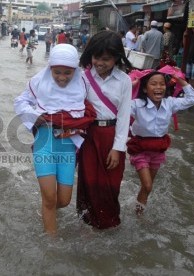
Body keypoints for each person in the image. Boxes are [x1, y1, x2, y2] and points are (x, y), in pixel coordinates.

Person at [14, 44, 95, 235]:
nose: (62, 77)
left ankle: (45, 212)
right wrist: (34, 115)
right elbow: (20, 102)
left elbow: (97, 105)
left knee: (64, 201)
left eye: (67, 72)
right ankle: (51, 245)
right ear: (50, 68)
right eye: (57, 72)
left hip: (68, 146)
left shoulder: (83, 83)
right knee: (50, 197)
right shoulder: (38, 82)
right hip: (45, 142)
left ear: (75, 70)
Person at [77, 30, 133, 229]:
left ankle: (109, 223)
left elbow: (125, 117)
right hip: (88, 137)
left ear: (117, 58)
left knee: (111, 184)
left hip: (111, 136)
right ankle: (87, 223)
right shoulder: (81, 78)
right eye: (96, 57)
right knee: (89, 181)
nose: (100, 63)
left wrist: (118, 149)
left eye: (106, 59)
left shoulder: (124, 81)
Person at [128, 70, 194, 215]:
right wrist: (129, 85)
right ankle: (138, 212)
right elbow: (117, 104)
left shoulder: (170, 103)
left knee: (147, 187)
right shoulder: (137, 104)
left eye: (162, 84)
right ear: (145, 89)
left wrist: (181, 81)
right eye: (153, 84)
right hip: (140, 148)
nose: (159, 87)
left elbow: (192, 99)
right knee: (147, 186)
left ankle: (138, 215)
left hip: (158, 150)